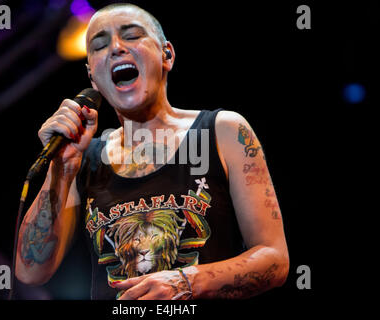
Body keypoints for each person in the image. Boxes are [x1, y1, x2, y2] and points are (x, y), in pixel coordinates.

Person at [15, 3, 289, 300]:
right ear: (92, 76)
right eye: (99, 45)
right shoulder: (82, 159)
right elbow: (29, 270)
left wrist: (187, 282)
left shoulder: (223, 131)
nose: (116, 48)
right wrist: (62, 169)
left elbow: (274, 259)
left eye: (131, 36)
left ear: (166, 55)